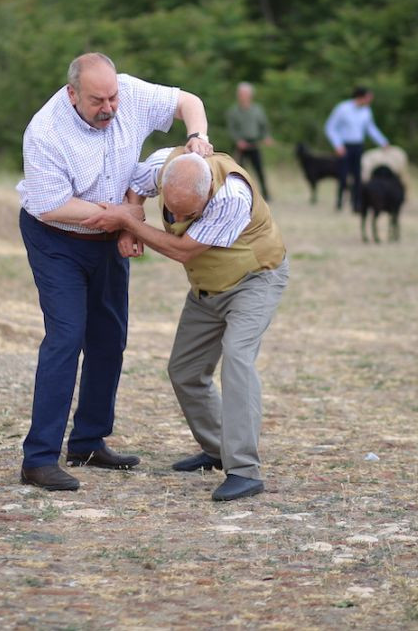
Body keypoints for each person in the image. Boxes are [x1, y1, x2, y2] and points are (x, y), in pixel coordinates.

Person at [17, 52, 212, 492]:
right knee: (66, 337)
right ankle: (39, 458)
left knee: (109, 338)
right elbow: (52, 204)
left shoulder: (130, 94)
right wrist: (125, 215)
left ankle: (88, 440)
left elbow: (189, 101)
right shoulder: (45, 131)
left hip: (108, 238)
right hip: (56, 238)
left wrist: (197, 136)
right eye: (96, 101)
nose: (108, 108)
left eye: (112, 98)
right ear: (72, 95)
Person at [82, 147, 288, 502]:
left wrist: (129, 224)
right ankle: (217, 449)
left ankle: (243, 469)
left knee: (237, 358)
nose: (176, 216)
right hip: (207, 288)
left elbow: (182, 250)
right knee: (185, 371)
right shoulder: (165, 165)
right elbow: (136, 183)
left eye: (187, 212)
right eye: (171, 209)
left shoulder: (231, 196)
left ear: (207, 193)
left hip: (255, 279)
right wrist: (133, 213)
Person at [324, 86, 389, 211]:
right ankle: (339, 202)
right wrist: (337, 145)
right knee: (343, 176)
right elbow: (330, 127)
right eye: (368, 98)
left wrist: (383, 141)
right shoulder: (342, 108)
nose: (370, 101)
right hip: (344, 146)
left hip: (358, 146)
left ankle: (357, 203)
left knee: (357, 176)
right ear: (360, 97)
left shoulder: (366, 111)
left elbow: (370, 128)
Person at [225, 82, 273, 199]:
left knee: (259, 169)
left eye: (245, 94)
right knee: (239, 171)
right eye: (241, 94)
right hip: (240, 145)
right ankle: (240, 194)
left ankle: (266, 194)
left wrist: (266, 137)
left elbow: (264, 126)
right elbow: (231, 129)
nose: (243, 96)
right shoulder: (233, 111)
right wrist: (238, 140)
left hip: (255, 144)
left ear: (250, 95)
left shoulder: (257, 110)